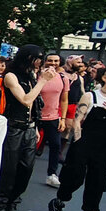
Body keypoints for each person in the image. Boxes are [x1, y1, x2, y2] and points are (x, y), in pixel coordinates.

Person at [48, 64, 106, 211]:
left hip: (104, 145)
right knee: (74, 175)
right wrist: (77, 140)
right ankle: (58, 202)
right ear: (104, 78)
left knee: (98, 180)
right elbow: (78, 119)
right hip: (84, 141)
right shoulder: (90, 96)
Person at [0, 44, 56, 211]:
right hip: (13, 127)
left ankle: (13, 201)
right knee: (9, 169)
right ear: (27, 58)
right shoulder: (11, 76)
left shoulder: (31, 76)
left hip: (29, 128)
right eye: (37, 58)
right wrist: (43, 81)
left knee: (26, 169)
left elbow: (34, 105)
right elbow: (26, 100)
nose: (39, 62)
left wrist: (35, 126)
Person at [38, 53, 69, 187]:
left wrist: (63, 118)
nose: (53, 63)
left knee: (55, 145)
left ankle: (51, 174)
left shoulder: (63, 78)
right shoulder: (37, 75)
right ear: (44, 61)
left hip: (53, 117)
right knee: (29, 146)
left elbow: (64, 99)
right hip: (36, 116)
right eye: (50, 60)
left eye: (56, 61)